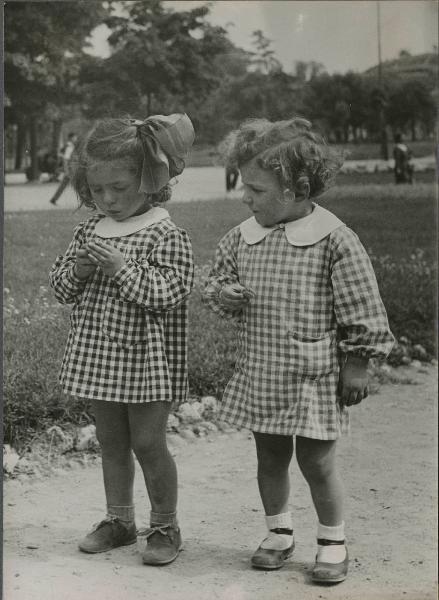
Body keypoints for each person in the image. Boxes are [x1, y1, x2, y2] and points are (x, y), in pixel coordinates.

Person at [203, 117, 394, 584]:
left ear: (296, 188)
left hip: (314, 377)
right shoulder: (244, 236)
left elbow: (361, 306)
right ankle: (278, 532)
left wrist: (357, 363)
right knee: (269, 457)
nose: (245, 197)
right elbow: (216, 278)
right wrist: (223, 293)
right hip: (263, 370)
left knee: (317, 461)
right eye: (243, 186)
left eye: (255, 189)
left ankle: (332, 540)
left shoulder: (334, 239)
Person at [49, 114, 195, 565]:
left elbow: (168, 295)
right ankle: (120, 521)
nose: (107, 200)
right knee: (110, 443)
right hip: (99, 357)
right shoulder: (89, 231)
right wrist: (78, 270)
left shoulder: (165, 233)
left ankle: (166, 525)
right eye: (97, 190)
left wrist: (122, 270)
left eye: (119, 188)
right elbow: (60, 288)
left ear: (151, 181)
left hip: (147, 362)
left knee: (148, 443)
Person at [49, 132, 78, 205]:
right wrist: (67, 170)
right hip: (70, 169)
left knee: (64, 185)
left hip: (70, 169)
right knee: (78, 185)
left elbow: (62, 155)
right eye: (75, 137)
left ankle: (54, 199)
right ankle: (87, 200)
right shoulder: (69, 146)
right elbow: (65, 159)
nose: (76, 139)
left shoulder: (68, 146)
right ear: (71, 138)